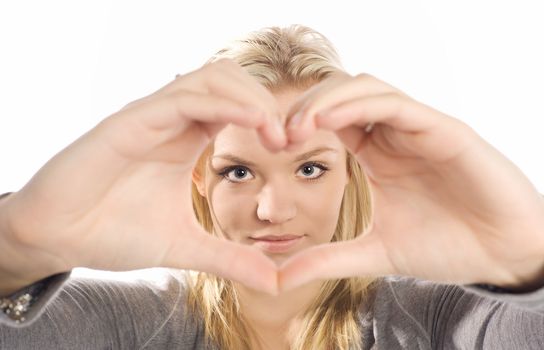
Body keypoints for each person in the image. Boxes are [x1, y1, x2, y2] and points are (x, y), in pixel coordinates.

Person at [1, 24, 544, 350]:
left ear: (352, 171)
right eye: (238, 171)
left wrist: (529, 257)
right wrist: (17, 247)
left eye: (310, 169)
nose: (273, 210)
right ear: (199, 178)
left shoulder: (437, 322)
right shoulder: (130, 326)